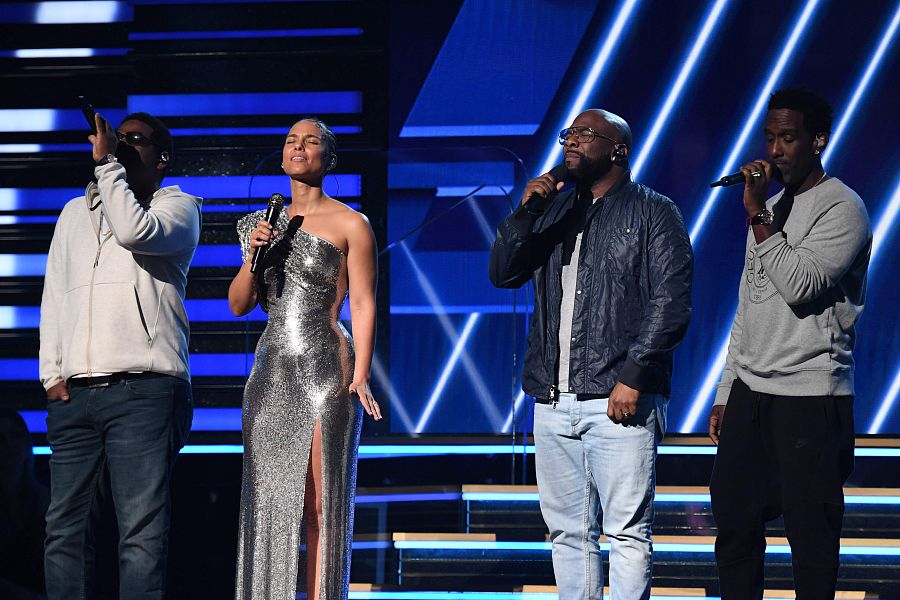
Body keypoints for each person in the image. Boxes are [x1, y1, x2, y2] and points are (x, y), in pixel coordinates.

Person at [489, 109, 693, 599]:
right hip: (551, 400)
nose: (571, 143)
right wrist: (527, 211)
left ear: (617, 150)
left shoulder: (654, 211)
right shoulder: (555, 211)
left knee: (626, 533)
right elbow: (503, 273)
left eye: (585, 135)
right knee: (568, 534)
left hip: (617, 399)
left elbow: (671, 301)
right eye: (568, 135)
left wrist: (635, 375)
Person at [708, 88, 871, 598]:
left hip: (811, 399)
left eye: (788, 138)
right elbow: (749, 306)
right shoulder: (771, 211)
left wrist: (758, 215)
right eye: (770, 138)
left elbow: (801, 285)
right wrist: (725, 389)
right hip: (751, 396)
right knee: (734, 527)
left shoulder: (843, 208)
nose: (774, 150)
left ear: (817, 140)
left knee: (811, 540)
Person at [38, 111, 201, 599]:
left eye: (135, 140)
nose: (122, 145)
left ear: (162, 157)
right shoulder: (73, 213)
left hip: (144, 390)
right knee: (62, 531)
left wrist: (108, 166)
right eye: (116, 139)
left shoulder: (179, 208)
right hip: (75, 396)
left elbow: (134, 232)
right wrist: (52, 375)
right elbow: (54, 294)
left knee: (140, 535)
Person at [229, 117, 380, 600]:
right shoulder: (260, 225)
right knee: (268, 503)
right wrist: (255, 255)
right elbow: (238, 305)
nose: (299, 147)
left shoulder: (351, 223)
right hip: (271, 370)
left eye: (310, 141)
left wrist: (360, 375)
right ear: (282, 156)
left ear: (328, 159)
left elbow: (363, 302)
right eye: (291, 141)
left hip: (324, 368)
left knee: (318, 502)